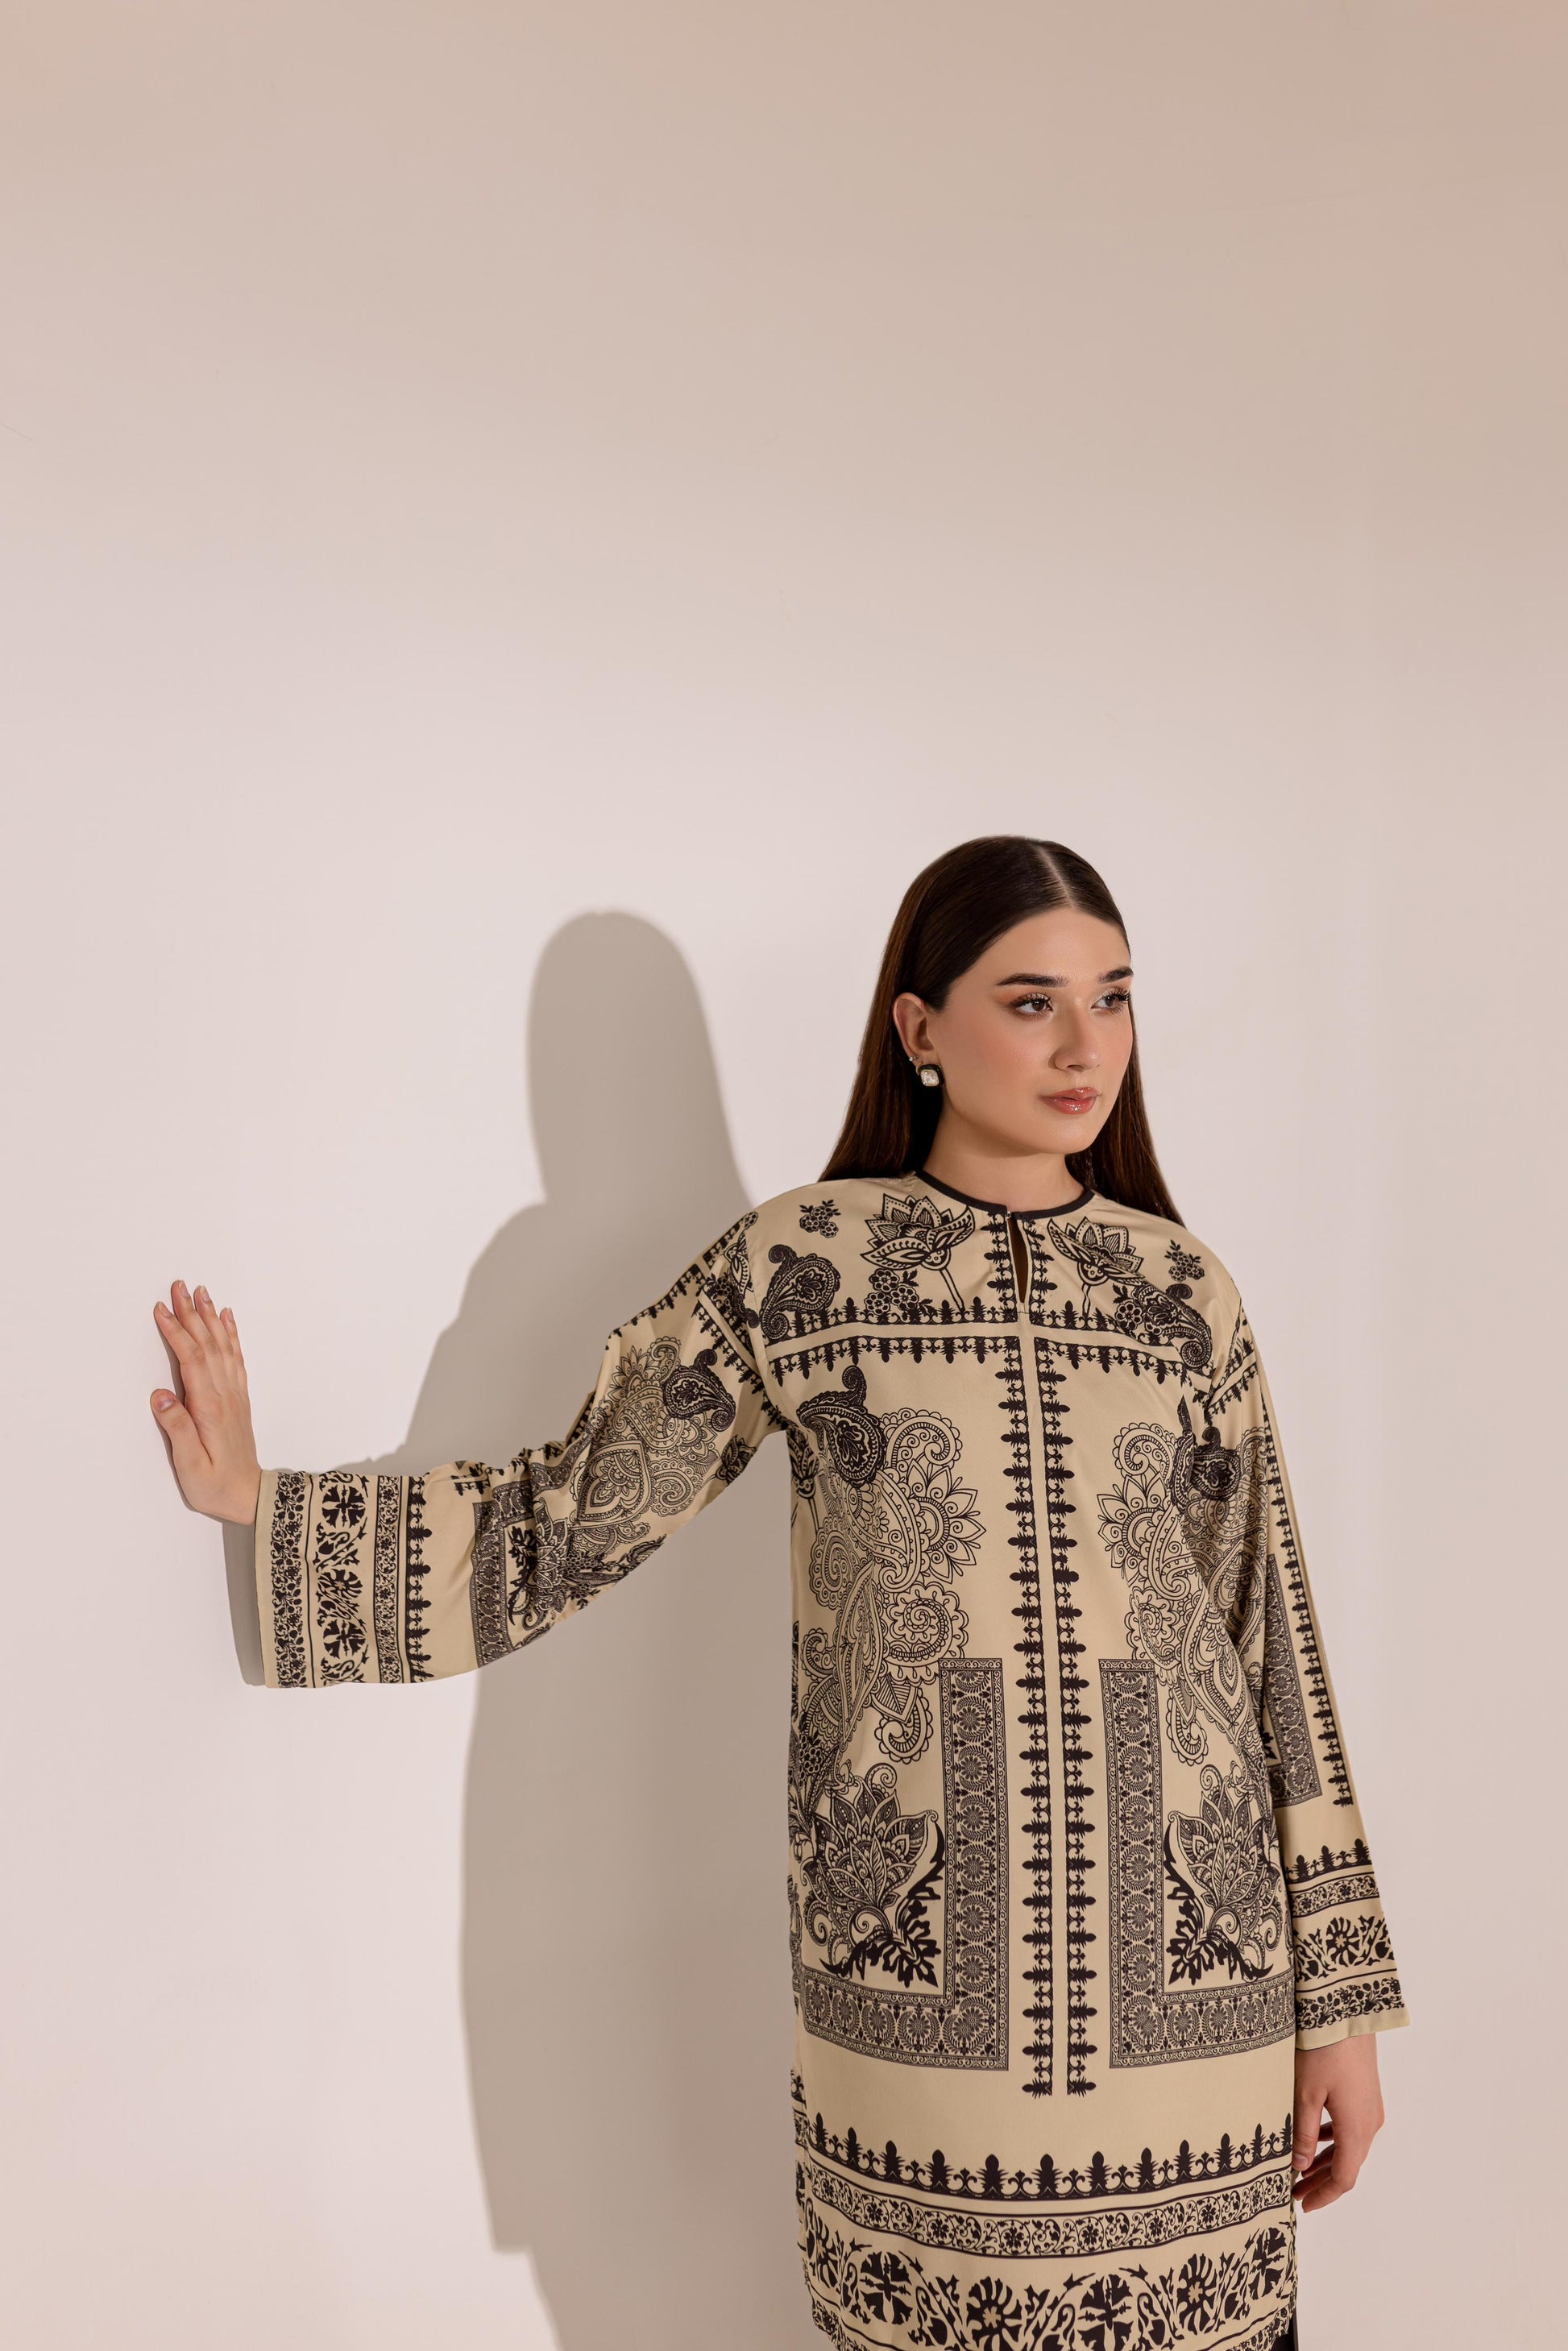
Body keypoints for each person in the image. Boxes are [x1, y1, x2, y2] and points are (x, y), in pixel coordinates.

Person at [151, 834, 1405, 2349]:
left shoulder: (1185, 1294)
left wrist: (1337, 2010)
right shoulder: (800, 1267)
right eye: (1031, 1002)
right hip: (921, 1998)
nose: (1086, 1046)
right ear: (919, 1026)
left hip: (1201, 1991)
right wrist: (265, 1504)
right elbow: (573, 1512)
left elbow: (1272, 1649)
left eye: (1113, 998)